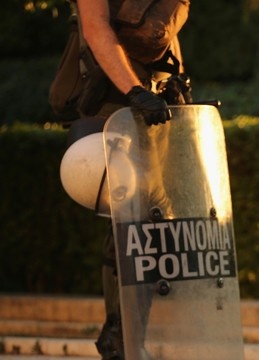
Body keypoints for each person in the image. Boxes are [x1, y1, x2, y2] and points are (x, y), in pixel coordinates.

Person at [62, 0, 191, 358]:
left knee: (151, 221)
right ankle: (119, 334)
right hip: (114, 100)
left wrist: (176, 78)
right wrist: (135, 91)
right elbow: (95, 27)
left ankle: (131, 336)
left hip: (153, 103)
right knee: (130, 219)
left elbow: (164, 32)